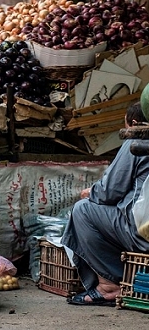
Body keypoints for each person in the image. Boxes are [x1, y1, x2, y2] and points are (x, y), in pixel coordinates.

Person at [63, 101, 149, 306]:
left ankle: (109, 285)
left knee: (82, 210)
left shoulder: (137, 142)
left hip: (142, 235)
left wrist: (90, 192)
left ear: (134, 123)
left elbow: (109, 192)